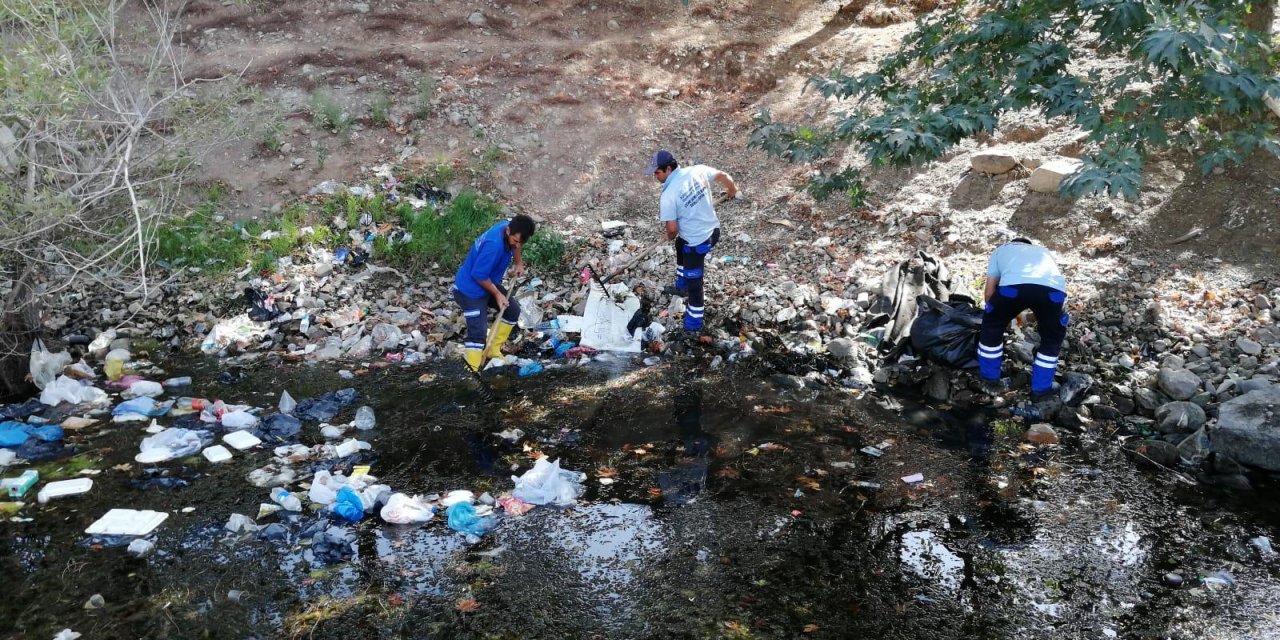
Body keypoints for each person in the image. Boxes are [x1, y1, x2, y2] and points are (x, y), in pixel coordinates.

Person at [646, 149, 737, 333]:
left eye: (657, 172)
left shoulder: (669, 195)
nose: (655, 176)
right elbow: (722, 175)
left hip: (698, 243)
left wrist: (668, 235)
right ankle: (682, 283)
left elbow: (672, 230)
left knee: (695, 282)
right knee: (680, 244)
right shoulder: (697, 170)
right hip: (714, 231)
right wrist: (732, 189)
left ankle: (694, 323)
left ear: (668, 169)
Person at [978, 238, 1068, 399]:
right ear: (1029, 245)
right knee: (1052, 339)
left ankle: (990, 380)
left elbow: (989, 293)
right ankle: (1041, 389)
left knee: (991, 327)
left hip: (1013, 289)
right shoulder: (1043, 251)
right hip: (1053, 293)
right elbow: (1038, 291)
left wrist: (998, 316)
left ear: (1013, 242)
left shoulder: (1001, 250)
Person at [453, 215, 536, 371]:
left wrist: (518, 262)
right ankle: (473, 369)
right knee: (478, 332)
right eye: (515, 240)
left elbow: (516, 246)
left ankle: (492, 350)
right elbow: (478, 275)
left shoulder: (510, 228)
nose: (517, 244)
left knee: (512, 311)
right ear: (508, 231)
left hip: (488, 283)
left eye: (521, 242)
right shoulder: (493, 245)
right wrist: (498, 294)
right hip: (469, 289)